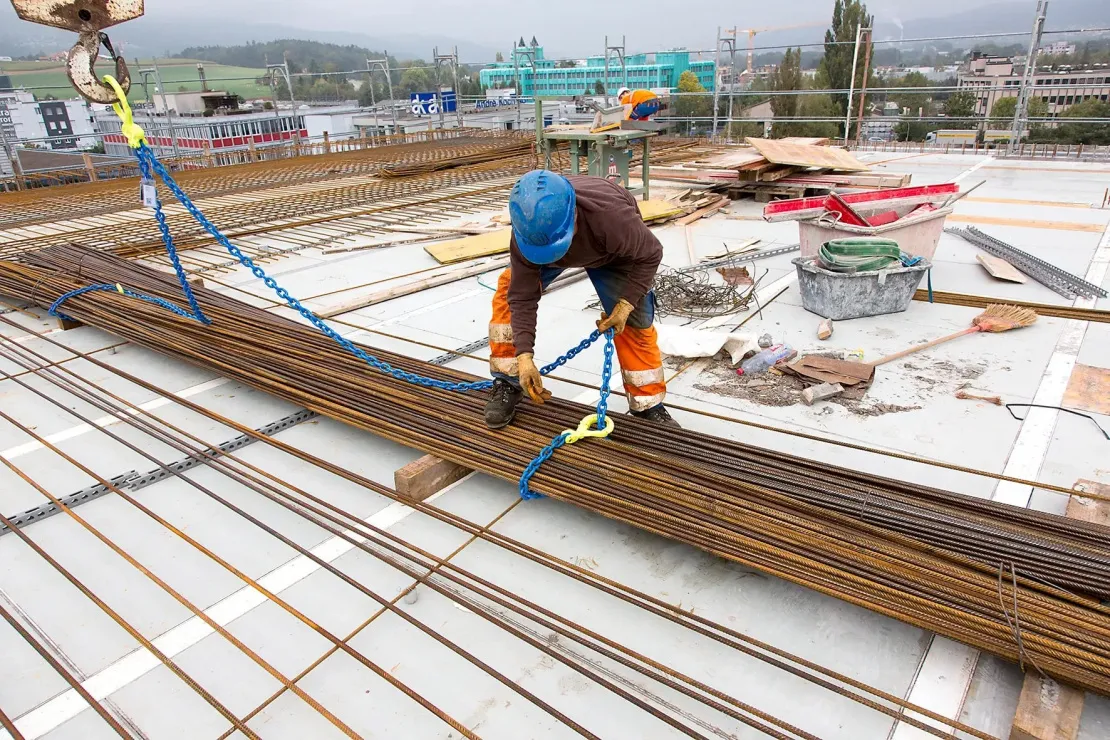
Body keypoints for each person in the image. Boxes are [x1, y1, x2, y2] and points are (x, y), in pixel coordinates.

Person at [485, 169, 679, 430]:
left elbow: (650, 254)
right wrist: (524, 356)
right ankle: (508, 380)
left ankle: (647, 403)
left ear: (574, 215)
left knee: (634, 320)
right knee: (508, 293)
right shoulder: (528, 232)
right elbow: (522, 297)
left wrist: (625, 305)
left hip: (611, 254)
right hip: (547, 247)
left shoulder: (613, 219)